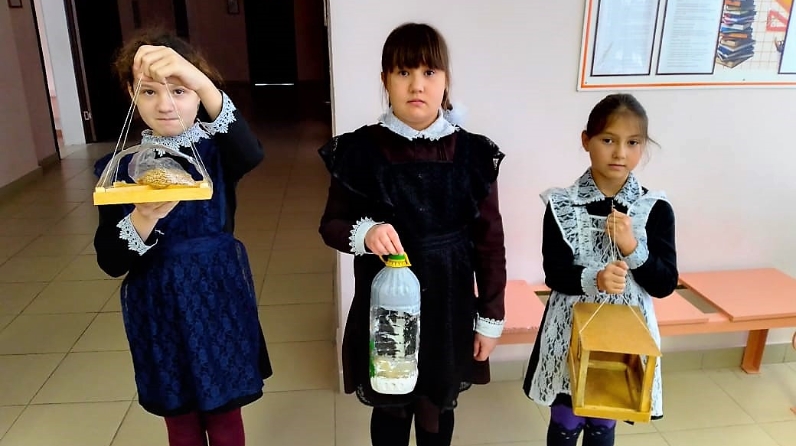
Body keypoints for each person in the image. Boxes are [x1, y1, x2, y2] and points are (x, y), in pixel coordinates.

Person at [317, 22, 507, 446]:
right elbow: (331, 225)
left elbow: (490, 243)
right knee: (392, 402)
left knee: (436, 405)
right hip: (387, 303)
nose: (417, 85)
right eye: (403, 72)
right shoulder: (359, 151)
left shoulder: (473, 153)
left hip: (449, 303)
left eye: (428, 72)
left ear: (445, 80)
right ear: (385, 79)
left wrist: (490, 316)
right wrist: (366, 233)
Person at [92, 29, 271, 446]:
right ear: (132, 95)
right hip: (160, 307)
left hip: (217, 299)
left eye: (179, 90)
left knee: (225, 416)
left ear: (197, 92)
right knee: (181, 421)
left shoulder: (219, 153)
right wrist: (141, 219)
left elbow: (252, 152)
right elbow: (110, 260)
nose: (165, 104)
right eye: (149, 92)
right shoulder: (120, 169)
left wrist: (202, 82)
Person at [522, 93, 679, 446]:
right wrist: (595, 278)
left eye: (632, 143)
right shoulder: (562, 204)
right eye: (608, 140)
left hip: (625, 335)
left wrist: (632, 248)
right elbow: (554, 273)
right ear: (586, 141)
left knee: (604, 415)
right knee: (566, 415)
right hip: (570, 329)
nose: (620, 153)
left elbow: (665, 283)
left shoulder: (655, 208)